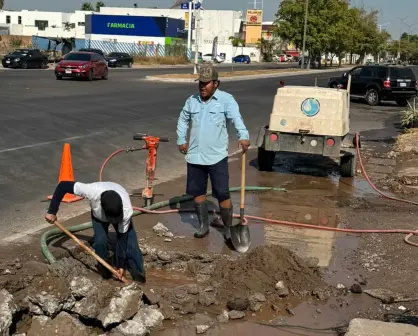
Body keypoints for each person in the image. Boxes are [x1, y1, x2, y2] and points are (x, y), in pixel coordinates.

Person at [176, 66, 250, 241]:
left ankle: (227, 228)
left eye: (206, 83)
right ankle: (203, 226)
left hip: (217, 157)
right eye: (200, 83)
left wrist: (243, 136)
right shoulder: (192, 100)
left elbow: (236, 119)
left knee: (222, 193)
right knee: (197, 192)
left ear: (216, 83)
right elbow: (182, 119)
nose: (202, 87)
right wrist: (181, 139)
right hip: (195, 156)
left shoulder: (226, 100)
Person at [44, 180, 146, 283]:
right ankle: (106, 274)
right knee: (100, 241)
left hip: (121, 216)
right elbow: (63, 186)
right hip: (99, 217)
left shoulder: (126, 210)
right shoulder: (91, 190)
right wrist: (52, 211)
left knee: (131, 245)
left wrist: (121, 264)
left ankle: (139, 277)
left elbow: (122, 240)